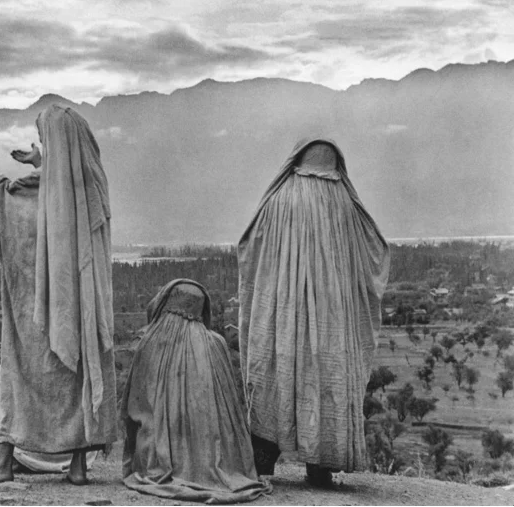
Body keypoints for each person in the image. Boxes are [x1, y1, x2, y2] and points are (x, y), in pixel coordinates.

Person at [0, 104, 117, 485]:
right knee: (75, 375)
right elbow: (64, 176)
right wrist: (43, 160)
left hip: (32, 312)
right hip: (80, 310)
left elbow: (1, 198)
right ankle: (77, 465)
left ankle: (4, 460)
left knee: (19, 373)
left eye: (44, 139)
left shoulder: (31, 194)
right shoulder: (91, 188)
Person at [237, 139, 390, 486]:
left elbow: (250, 248)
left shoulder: (279, 199)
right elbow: (374, 251)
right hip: (333, 319)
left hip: (283, 315)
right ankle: (320, 468)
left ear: (296, 160)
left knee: (276, 375)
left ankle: (262, 463)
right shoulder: (346, 203)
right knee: (325, 380)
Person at [120, 279, 271, 503]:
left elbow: (133, 408)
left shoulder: (150, 342)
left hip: (155, 459)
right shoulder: (216, 344)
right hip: (218, 457)